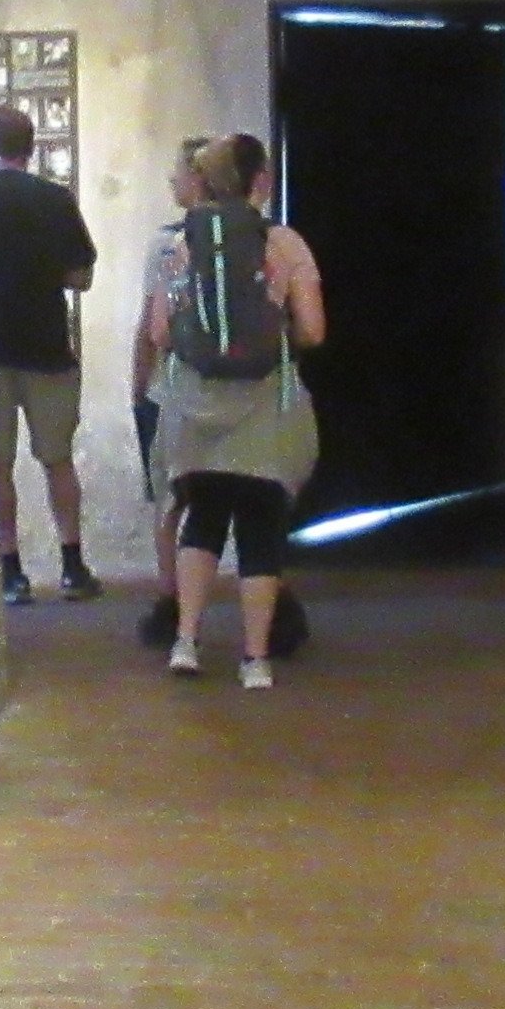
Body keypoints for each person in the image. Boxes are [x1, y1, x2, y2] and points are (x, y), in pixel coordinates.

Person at [134, 129, 325, 689]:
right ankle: (254, 659)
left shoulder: (177, 246)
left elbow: (157, 332)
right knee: (260, 528)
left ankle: (187, 642)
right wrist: (275, 327)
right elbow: (313, 329)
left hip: (195, 409)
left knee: (204, 520)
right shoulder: (284, 243)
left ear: (203, 182)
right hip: (266, 410)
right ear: (259, 181)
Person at [0, 102, 104, 603]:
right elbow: (81, 276)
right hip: (46, 345)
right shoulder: (55, 200)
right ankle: (72, 564)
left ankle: (10, 571)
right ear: (30, 146)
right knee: (58, 459)